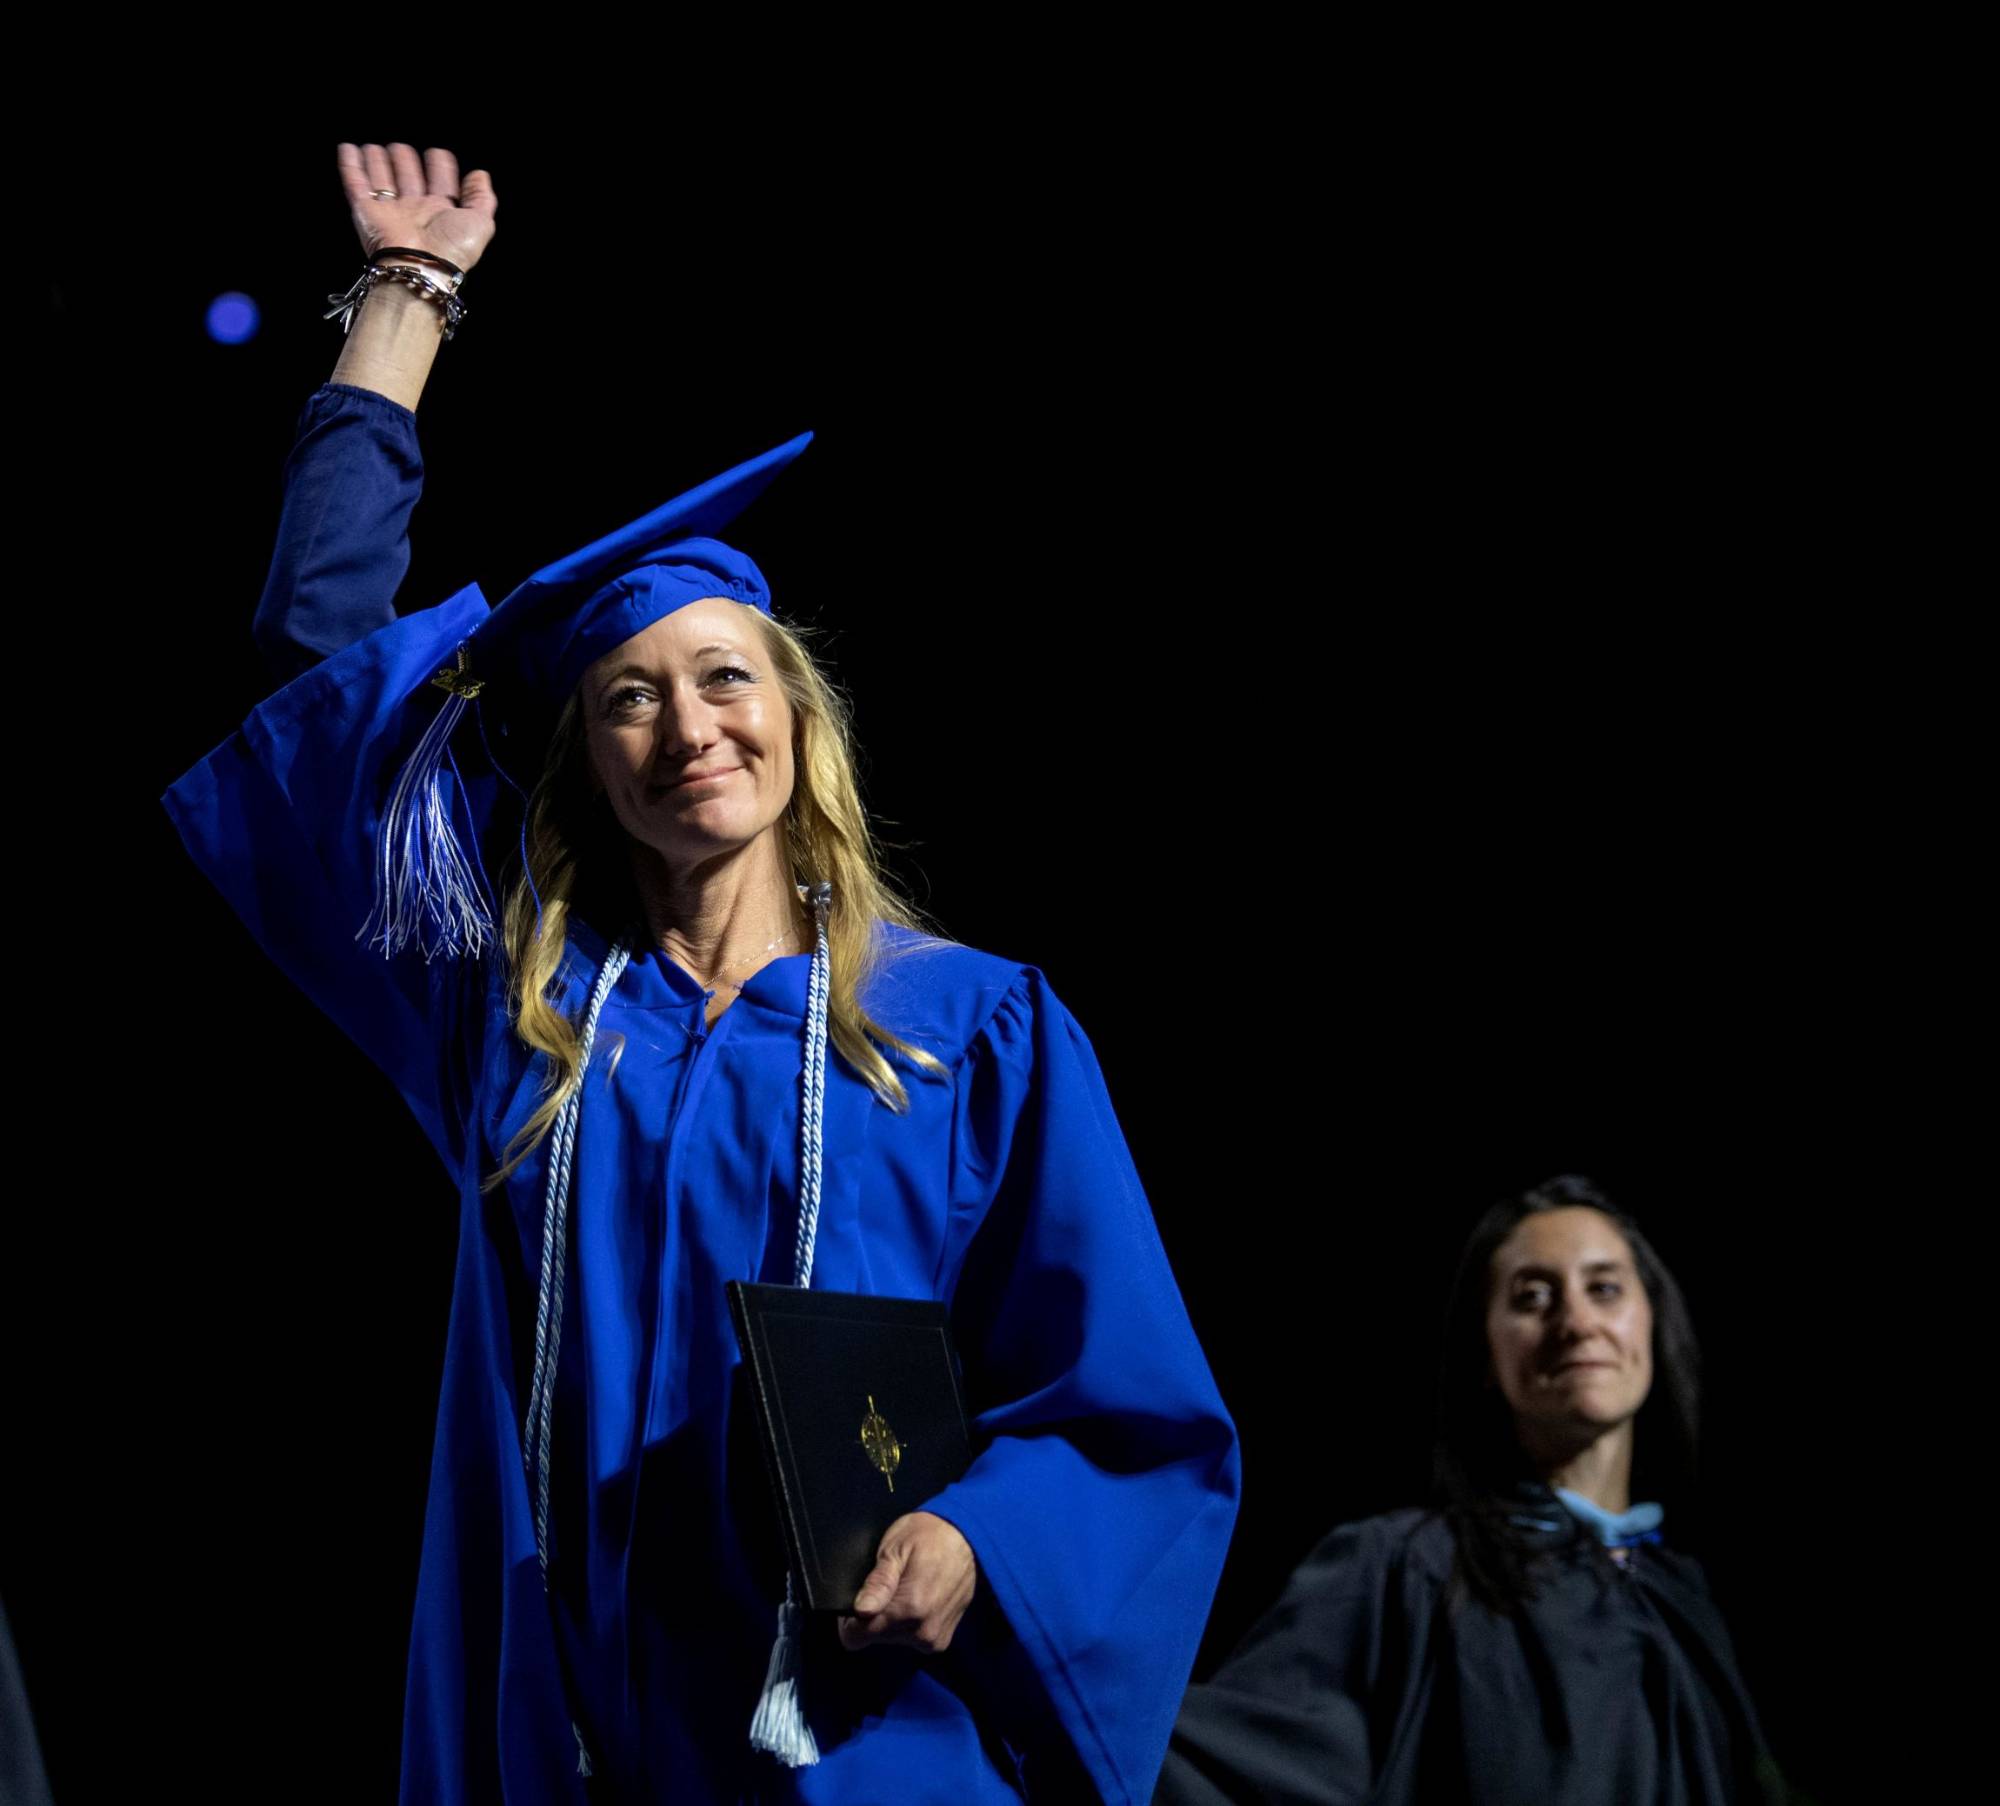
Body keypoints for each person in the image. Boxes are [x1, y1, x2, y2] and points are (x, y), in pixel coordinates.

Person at [161, 141, 1240, 1804]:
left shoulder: (972, 1032)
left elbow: (1127, 1407)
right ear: (586, 765)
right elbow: (326, 673)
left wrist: (976, 1537)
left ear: (798, 719)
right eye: (630, 697)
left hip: (860, 1747)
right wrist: (403, 305)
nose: (689, 725)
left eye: (726, 676)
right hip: (570, 1744)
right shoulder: (517, 1021)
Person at [1154, 1175, 1788, 1806]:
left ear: (1650, 1318)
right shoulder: (1403, 1569)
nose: (1576, 1322)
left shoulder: (1698, 1601)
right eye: (1532, 1297)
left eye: (1604, 1288)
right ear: (1486, 1349)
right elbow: (1225, 1763)